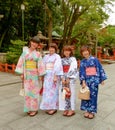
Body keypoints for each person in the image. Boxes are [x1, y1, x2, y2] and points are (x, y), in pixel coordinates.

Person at [15, 36, 45, 116]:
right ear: (30, 42)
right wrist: (21, 73)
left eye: (36, 43)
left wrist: (40, 74)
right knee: (27, 92)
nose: (34, 44)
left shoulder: (38, 54)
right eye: (33, 42)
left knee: (34, 92)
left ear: (38, 45)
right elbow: (21, 62)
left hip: (34, 75)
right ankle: (28, 108)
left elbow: (40, 65)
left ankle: (34, 109)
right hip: (27, 74)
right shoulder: (25, 52)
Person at [79, 45, 107, 119]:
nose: (85, 53)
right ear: (81, 53)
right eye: (83, 51)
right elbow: (82, 72)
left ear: (89, 51)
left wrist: (102, 79)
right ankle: (87, 110)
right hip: (86, 80)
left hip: (94, 80)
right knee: (86, 95)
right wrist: (83, 81)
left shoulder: (95, 59)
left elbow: (99, 68)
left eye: (86, 51)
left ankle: (92, 111)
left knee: (93, 96)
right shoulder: (82, 62)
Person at [40, 43, 63, 115]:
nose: (51, 49)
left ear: (55, 50)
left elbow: (58, 66)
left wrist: (55, 75)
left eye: (53, 48)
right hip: (47, 75)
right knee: (46, 91)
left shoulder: (57, 57)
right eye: (50, 48)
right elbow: (42, 65)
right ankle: (47, 106)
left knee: (53, 92)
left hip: (53, 75)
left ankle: (53, 107)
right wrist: (42, 75)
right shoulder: (46, 57)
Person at [59, 45, 78, 116]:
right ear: (63, 52)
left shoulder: (73, 59)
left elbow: (74, 69)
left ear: (70, 52)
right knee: (64, 93)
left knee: (71, 93)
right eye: (65, 51)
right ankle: (65, 108)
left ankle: (72, 109)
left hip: (70, 79)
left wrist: (68, 78)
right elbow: (60, 69)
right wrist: (62, 78)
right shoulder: (61, 60)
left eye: (68, 50)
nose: (67, 52)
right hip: (63, 79)